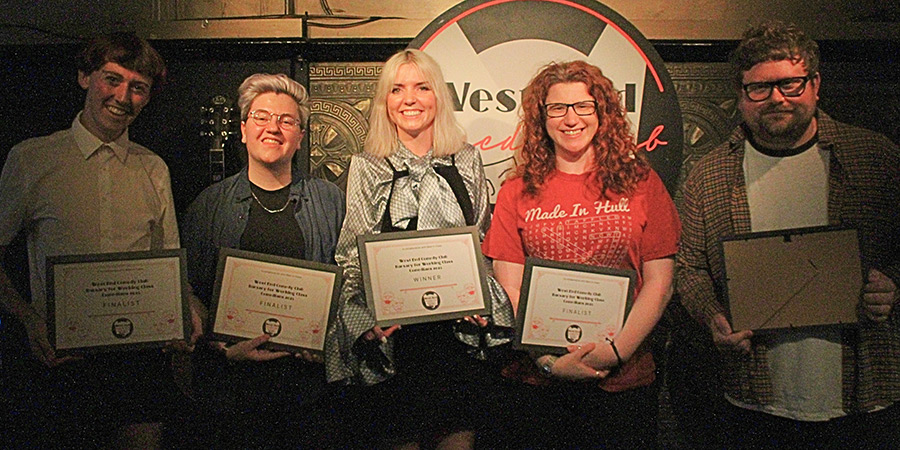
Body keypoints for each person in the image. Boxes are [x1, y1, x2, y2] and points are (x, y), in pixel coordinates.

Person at [676, 20, 900, 447]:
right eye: (759, 88)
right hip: (753, 401)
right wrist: (713, 316)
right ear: (741, 96)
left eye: (791, 84)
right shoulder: (709, 174)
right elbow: (690, 267)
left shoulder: (876, 157)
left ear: (815, 84)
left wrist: (895, 284)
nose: (776, 98)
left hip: (866, 398)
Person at [0, 32, 202, 448]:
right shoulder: (30, 159)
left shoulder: (154, 168)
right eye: (112, 78)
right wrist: (28, 319)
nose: (122, 96)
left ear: (147, 98)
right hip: (60, 358)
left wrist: (189, 312)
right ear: (84, 77)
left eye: (138, 87)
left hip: (141, 359)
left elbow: (169, 266)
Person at [482, 60, 681, 448]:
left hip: (623, 384)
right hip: (536, 385)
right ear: (542, 117)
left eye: (583, 106)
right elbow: (511, 289)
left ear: (601, 112)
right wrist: (549, 362)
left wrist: (614, 354)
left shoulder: (641, 182)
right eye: (557, 108)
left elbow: (660, 285)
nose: (570, 118)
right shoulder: (516, 190)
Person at [325, 49, 515, 448]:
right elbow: (351, 256)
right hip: (396, 342)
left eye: (421, 87)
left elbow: (481, 244)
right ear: (385, 102)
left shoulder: (467, 159)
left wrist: (482, 302)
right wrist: (365, 319)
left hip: (457, 340)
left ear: (438, 97)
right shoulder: (366, 164)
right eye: (397, 89)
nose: (409, 98)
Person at [181, 73, 345, 448]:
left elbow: (347, 281)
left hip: (309, 391)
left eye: (287, 121)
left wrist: (326, 337)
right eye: (261, 117)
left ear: (301, 136)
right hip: (231, 392)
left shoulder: (330, 200)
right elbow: (187, 288)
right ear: (242, 129)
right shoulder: (210, 204)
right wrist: (217, 343)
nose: (274, 127)